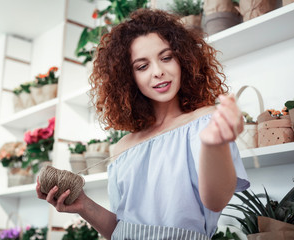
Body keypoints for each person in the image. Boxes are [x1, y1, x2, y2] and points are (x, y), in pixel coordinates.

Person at [36, 8, 250, 240]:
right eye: (142, 66)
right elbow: (122, 230)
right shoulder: (122, 148)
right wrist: (84, 205)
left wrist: (214, 144)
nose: (158, 72)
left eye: (166, 57)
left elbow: (216, 200)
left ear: (183, 60)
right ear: (128, 79)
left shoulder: (206, 123)